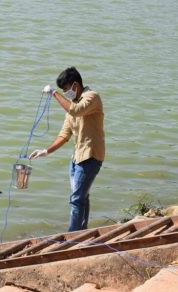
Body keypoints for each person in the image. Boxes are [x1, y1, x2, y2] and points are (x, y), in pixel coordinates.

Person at [29, 67, 105, 232]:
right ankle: (82, 231)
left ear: (75, 85)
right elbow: (64, 135)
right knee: (81, 197)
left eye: (66, 90)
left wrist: (54, 93)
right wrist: (46, 151)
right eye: (62, 91)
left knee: (76, 199)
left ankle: (72, 236)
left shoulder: (92, 97)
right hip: (76, 158)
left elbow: (75, 111)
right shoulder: (73, 105)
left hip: (91, 156)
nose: (65, 93)